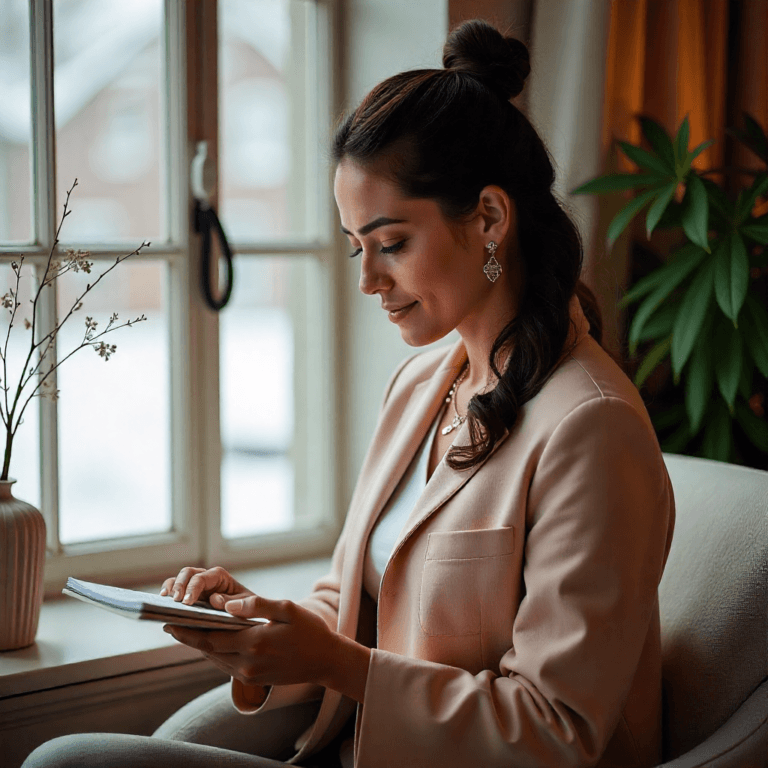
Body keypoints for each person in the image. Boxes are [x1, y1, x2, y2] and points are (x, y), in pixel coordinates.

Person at [23, 18, 675, 768]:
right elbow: (356, 606)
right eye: (356, 246)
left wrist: (342, 666)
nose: (367, 280)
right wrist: (257, 627)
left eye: (392, 243)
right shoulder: (423, 384)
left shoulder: (592, 428)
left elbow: (556, 731)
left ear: (491, 217)